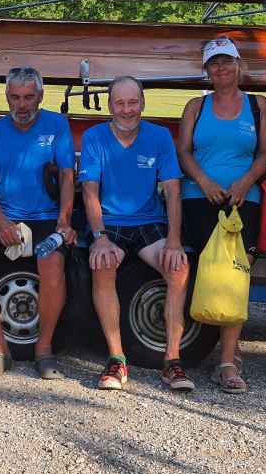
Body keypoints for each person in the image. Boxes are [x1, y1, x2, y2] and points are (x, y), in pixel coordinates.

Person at [0, 66, 75, 379]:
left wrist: (64, 220)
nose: (21, 105)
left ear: (40, 96)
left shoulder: (57, 125)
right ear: (7, 96)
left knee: (52, 261)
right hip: (5, 214)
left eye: (28, 97)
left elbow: (67, 176)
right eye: (15, 97)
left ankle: (44, 350)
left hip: (46, 217)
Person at [177, 36, 266, 394]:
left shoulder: (257, 106)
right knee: (204, 272)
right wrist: (203, 181)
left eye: (226, 61)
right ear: (207, 71)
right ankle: (192, 345)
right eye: (214, 64)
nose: (221, 69)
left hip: (242, 200)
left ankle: (228, 360)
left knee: (236, 275)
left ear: (239, 65)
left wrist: (244, 183)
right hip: (199, 197)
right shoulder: (196, 106)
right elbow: (184, 152)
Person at [80, 76, 191, 392]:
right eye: (120, 103)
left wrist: (174, 241)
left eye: (133, 102)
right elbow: (89, 191)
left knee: (179, 268)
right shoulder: (94, 137)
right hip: (110, 222)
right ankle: (117, 359)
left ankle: (172, 361)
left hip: (148, 223)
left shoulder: (159, 136)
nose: (127, 110)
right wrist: (100, 238)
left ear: (142, 103)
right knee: (103, 264)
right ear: (110, 106)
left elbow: (173, 190)